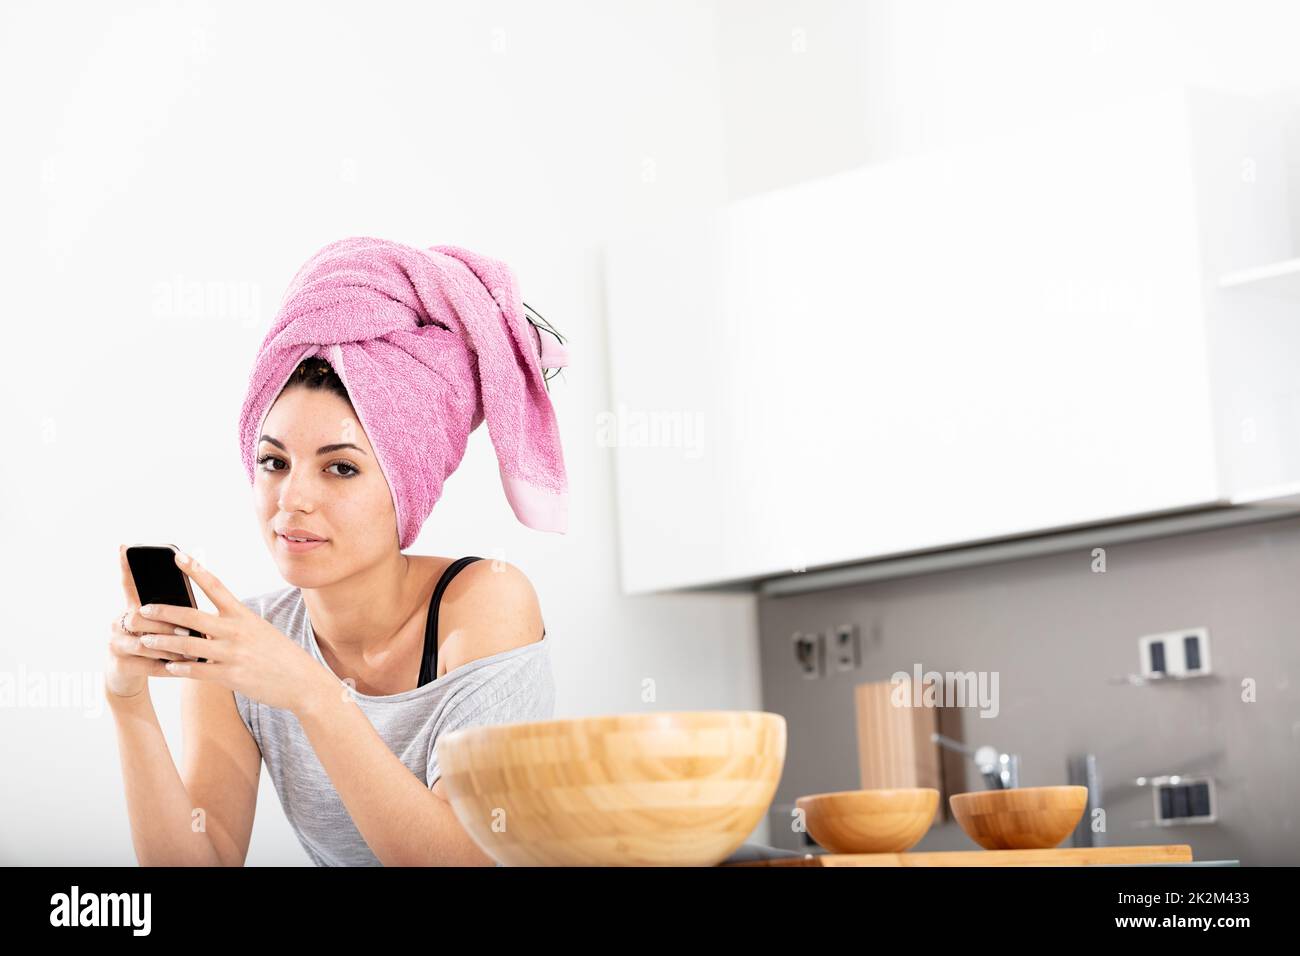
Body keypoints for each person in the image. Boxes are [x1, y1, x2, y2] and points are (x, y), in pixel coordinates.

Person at [105, 238, 569, 866]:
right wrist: (127, 703)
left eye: (341, 469)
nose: (291, 500)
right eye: (273, 462)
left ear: (407, 486)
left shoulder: (486, 600)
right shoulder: (248, 642)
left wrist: (313, 694)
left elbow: (468, 860)